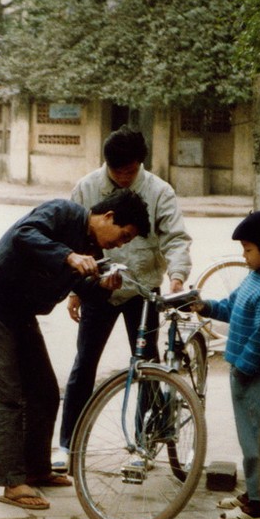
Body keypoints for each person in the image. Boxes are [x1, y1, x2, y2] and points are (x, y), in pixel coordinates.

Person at [0, 189, 151, 511]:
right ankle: (12, 482)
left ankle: (37, 469)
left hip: (23, 313)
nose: (120, 245)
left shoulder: (92, 249)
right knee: (8, 397)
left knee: (44, 392)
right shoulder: (62, 212)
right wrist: (69, 256)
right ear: (109, 217)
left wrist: (99, 286)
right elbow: (24, 234)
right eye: (123, 236)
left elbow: (79, 287)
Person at [56, 126, 193, 473]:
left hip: (143, 289)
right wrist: (75, 290)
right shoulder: (87, 187)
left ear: (140, 164)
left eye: (129, 172)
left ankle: (144, 444)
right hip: (98, 288)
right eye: (116, 172)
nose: (122, 178)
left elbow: (175, 238)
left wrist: (177, 277)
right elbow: (72, 242)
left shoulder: (160, 191)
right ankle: (67, 445)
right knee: (84, 364)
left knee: (147, 366)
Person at [189, 210, 260, 519]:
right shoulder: (254, 278)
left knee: (258, 438)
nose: (244, 256)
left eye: (248, 250)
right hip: (243, 371)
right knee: (248, 437)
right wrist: (205, 306)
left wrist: (243, 367)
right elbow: (230, 307)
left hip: (254, 374)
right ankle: (254, 491)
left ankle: (259, 504)